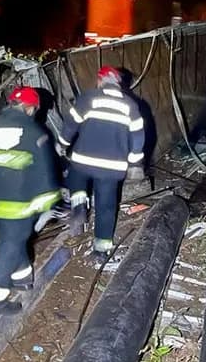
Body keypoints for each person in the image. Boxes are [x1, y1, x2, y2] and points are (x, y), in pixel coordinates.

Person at [0, 86, 62, 311]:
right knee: (11, 245)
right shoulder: (34, 132)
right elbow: (43, 170)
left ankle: (22, 276)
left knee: (12, 239)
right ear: (30, 108)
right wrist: (49, 200)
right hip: (20, 201)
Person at [58, 65, 145, 260]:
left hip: (83, 161)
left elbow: (71, 125)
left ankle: (79, 203)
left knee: (75, 175)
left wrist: (62, 144)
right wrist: (134, 163)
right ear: (118, 84)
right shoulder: (131, 105)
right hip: (112, 167)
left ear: (100, 81)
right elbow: (138, 137)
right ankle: (101, 249)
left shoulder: (88, 98)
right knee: (106, 206)